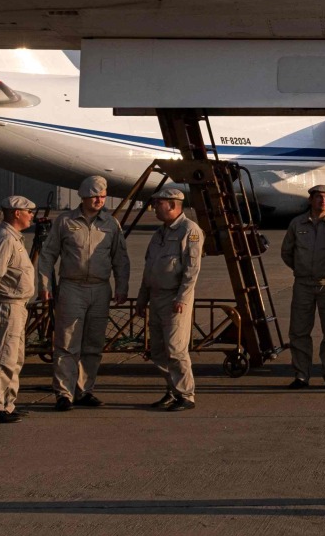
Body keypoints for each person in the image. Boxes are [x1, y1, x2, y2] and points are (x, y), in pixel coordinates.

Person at [38, 175, 132, 411]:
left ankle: (84, 390)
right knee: (67, 342)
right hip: (72, 287)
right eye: (95, 196)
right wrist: (45, 285)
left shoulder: (111, 224)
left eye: (102, 195)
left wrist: (122, 286)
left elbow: (120, 259)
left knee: (93, 344)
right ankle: (63, 393)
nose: (100, 200)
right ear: (83, 196)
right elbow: (48, 255)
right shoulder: (65, 222)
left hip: (100, 288)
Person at [137, 184, 204, 411]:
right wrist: (141, 299)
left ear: (173, 205)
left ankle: (186, 395)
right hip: (156, 297)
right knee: (158, 350)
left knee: (175, 349)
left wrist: (182, 299)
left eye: (159, 204)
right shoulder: (160, 233)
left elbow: (191, 271)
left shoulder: (189, 230)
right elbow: (149, 269)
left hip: (175, 299)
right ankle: (172, 391)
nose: (155, 208)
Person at [279, 183, 325, 389]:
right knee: (299, 331)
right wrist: (302, 269)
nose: (324, 200)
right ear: (311, 199)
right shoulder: (297, 224)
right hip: (303, 284)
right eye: (319, 197)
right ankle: (301, 375)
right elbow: (287, 252)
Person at [0, 195, 39, 423]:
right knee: (2, 357)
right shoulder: (5, 238)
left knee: (14, 358)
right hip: (7, 304)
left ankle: (7, 404)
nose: (31, 215)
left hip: (18, 305)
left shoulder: (15, 239)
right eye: (29, 212)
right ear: (17, 213)